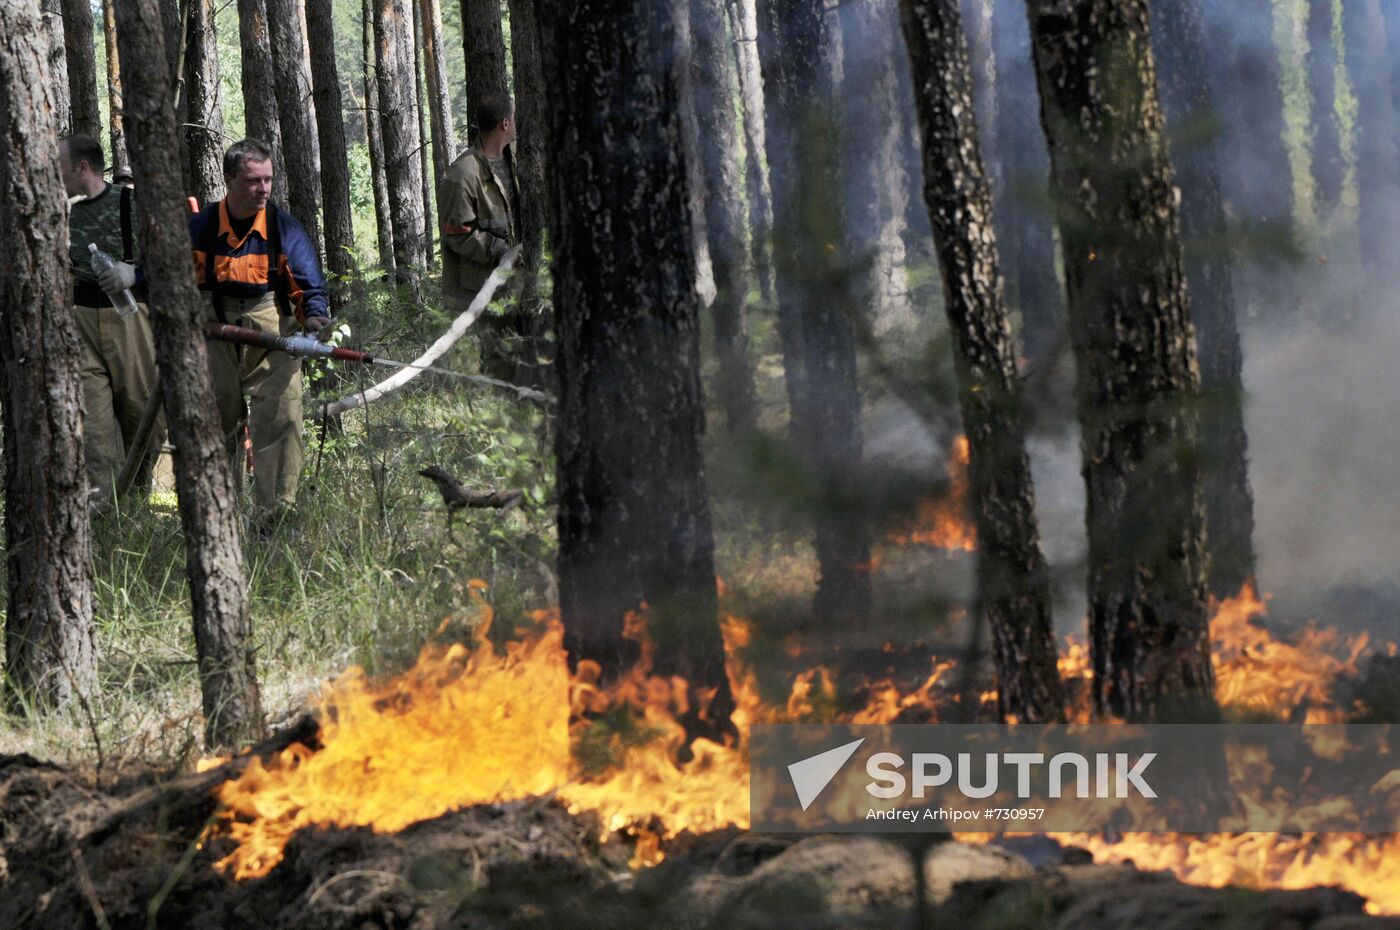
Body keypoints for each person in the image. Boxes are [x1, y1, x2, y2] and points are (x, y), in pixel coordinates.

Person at [188, 138, 329, 528]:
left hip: (273, 330)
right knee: (217, 422)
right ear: (229, 180)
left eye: (268, 180)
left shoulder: (283, 228)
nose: (263, 189)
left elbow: (308, 285)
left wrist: (315, 320)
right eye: (253, 181)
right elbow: (168, 281)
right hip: (213, 331)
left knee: (281, 419)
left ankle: (274, 518)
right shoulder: (199, 229)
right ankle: (222, 520)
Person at [59, 134, 164, 504]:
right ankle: (106, 516)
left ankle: (137, 503)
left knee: (143, 418)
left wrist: (136, 274)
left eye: (61, 166)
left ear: (82, 168)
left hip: (129, 319)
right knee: (94, 429)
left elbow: (173, 258)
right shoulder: (58, 212)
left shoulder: (130, 203)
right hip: (80, 321)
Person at [439, 92, 520, 314]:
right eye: (514, 117)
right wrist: (503, 250)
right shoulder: (462, 174)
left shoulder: (517, 158)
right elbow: (457, 233)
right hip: (478, 297)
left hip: (514, 289)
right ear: (505, 123)